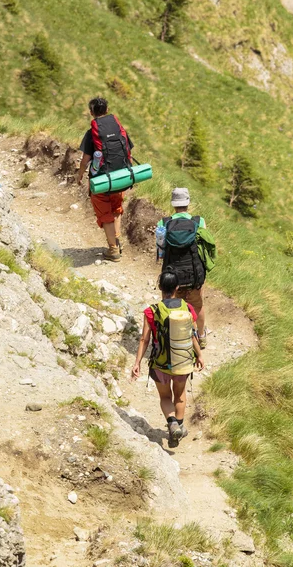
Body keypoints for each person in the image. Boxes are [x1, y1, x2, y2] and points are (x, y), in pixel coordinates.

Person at [131, 268, 205, 448]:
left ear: (160, 287)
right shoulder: (187, 308)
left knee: (165, 397)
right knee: (180, 395)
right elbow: (193, 334)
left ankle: (171, 423)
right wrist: (199, 355)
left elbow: (144, 339)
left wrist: (137, 363)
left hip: (160, 363)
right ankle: (178, 427)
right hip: (183, 361)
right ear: (177, 287)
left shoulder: (151, 311)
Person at [76, 97, 134, 262]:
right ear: (107, 110)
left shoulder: (91, 134)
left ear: (91, 112)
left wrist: (80, 174)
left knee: (104, 213)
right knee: (116, 208)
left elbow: (85, 160)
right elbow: (128, 149)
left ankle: (113, 249)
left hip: (101, 181)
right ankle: (116, 240)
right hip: (120, 178)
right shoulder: (119, 129)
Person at [157, 187, 208, 348]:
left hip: (172, 274)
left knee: (170, 303)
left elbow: (161, 250)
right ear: (188, 202)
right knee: (197, 306)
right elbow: (203, 248)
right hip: (193, 274)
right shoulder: (198, 222)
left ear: (173, 203)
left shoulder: (164, 223)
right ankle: (200, 336)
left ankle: (171, 336)